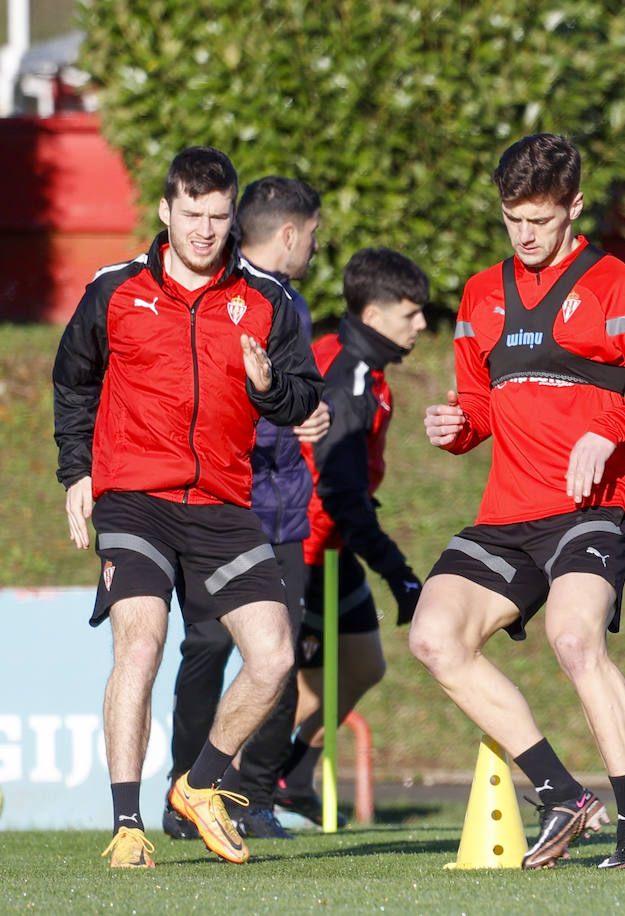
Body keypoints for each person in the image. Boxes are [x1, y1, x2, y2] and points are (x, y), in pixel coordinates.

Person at [409, 133, 625, 869]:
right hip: (510, 512)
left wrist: (613, 425)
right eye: (514, 219)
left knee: (574, 638)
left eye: (540, 219)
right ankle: (563, 793)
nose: (526, 234)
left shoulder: (617, 287)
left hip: (594, 508)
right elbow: (478, 404)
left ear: (574, 206)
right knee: (433, 636)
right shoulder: (481, 294)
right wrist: (456, 426)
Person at [53, 146, 323, 868]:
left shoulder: (270, 298)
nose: (205, 231)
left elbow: (304, 397)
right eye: (192, 215)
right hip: (135, 497)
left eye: (218, 217)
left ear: (233, 216)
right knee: (139, 641)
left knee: (273, 655)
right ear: (166, 211)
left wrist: (271, 389)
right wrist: (76, 470)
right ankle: (125, 826)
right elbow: (73, 380)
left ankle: (199, 786)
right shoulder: (115, 291)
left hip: (222, 502)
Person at [161, 176, 328, 843]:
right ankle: (184, 791)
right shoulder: (220, 295)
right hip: (222, 504)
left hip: (284, 512)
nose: (314, 247)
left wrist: (311, 413)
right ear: (290, 233)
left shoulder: (291, 304)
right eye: (313, 235)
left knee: (278, 653)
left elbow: (298, 391)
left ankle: (252, 794)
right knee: (205, 644)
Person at [277, 247, 429, 813]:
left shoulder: (359, 364)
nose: (421, 325)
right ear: (373, 315)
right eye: (411, 314)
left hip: (334, 546)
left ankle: (290, 775)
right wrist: (399, 573)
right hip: (307, 548)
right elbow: (340, 494)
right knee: (286, 688)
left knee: (363, 664)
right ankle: (229, 791)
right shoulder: (349, 377)